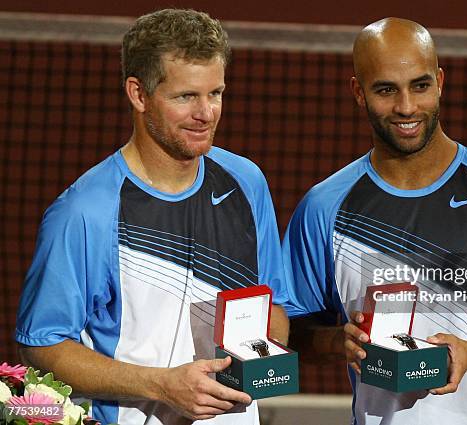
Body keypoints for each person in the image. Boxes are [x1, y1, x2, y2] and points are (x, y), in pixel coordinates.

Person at [283, 17, 467, 425]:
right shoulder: (324, 208)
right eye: (386, 90)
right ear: (358, 92)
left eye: (420, 86)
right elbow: (290, 332)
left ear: (440, 82)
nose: (406, 107)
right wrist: (337, 341)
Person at [16, 9, 289, 425]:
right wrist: (162, 385)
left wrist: (258, 359)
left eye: (215, 93)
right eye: (185, 97)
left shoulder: (247, 184)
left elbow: (275, 307)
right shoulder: (84, 212)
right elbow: (43, 347)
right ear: (138, 94)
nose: (206, 113)